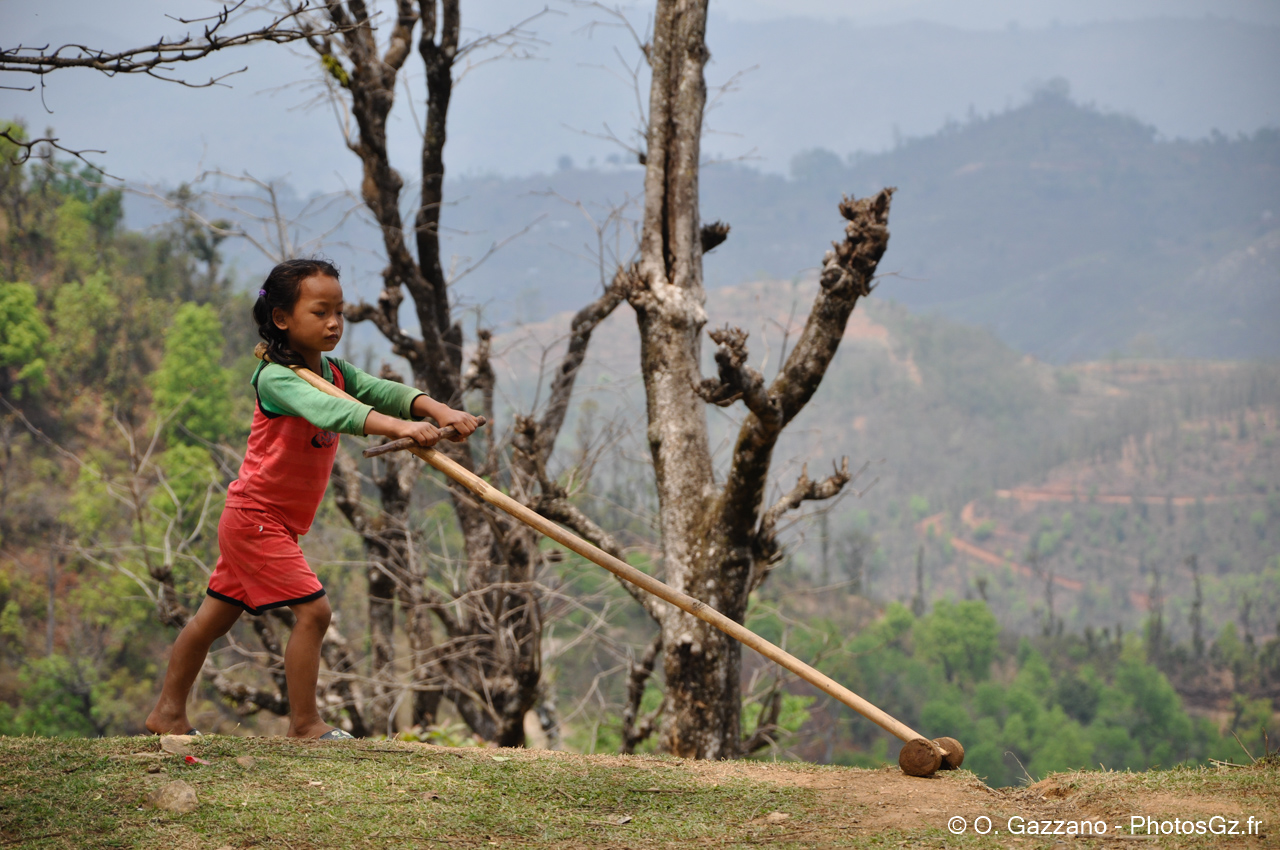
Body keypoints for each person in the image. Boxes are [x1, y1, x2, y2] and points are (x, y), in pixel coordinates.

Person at [145, 258, 477, 739]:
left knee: (210, 620)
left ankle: (167, 715)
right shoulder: (277, 379)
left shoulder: (333, 370)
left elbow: (379, 390)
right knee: (315, 612)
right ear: (281, 319)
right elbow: (332, 411)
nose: (334, 323)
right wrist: (402, 427)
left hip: (273, 523)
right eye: (320, 312)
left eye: (339, 312)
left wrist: (437, 408)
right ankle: (305, 725)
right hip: (255, 518)